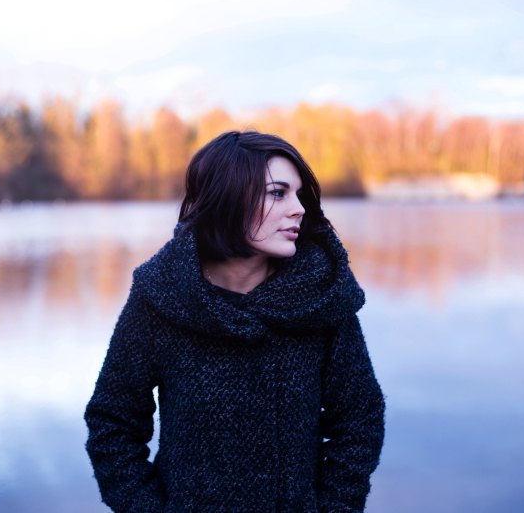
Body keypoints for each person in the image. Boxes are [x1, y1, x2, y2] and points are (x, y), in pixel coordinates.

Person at [84, 131, 385, 512]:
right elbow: (113, 424)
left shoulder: (321, 296)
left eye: (298, 194)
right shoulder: (161, 296)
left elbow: (359, 418)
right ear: (228, 198)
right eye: (278, 193)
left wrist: (333, 508)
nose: (298, 209)